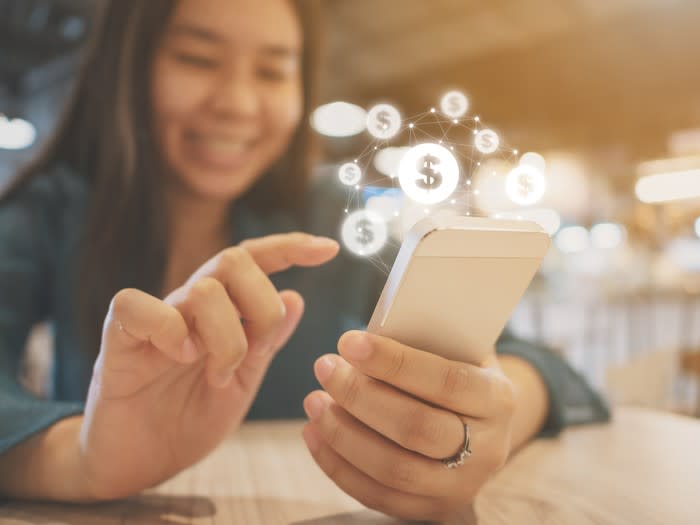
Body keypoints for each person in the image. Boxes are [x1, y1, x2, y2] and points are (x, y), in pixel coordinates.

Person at [0, 0, 609, 521]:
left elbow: (552, 373)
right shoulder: (54, 207)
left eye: (273, 70)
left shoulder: (330, 217)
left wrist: (486, 422)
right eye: (197, 58)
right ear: (127, 67)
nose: (238, 102)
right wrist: (80, 459)